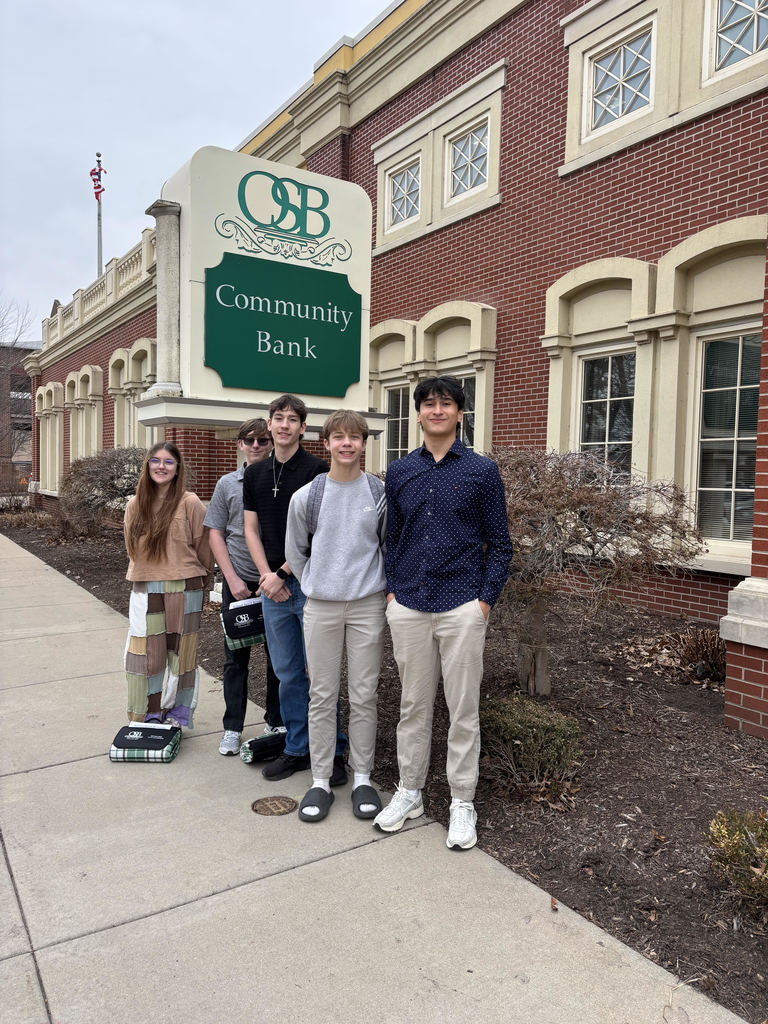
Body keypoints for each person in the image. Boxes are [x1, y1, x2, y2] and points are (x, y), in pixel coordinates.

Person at [373, 376, 513, 850]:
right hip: (408, 604)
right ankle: (410, 791)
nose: (436, 410)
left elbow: (501, 544)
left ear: (459, 413)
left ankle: (461, 801)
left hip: (461, 608)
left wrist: (484, 602)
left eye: (446, 403)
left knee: (463, 710)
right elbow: (392, 539)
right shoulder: (399, 472)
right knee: (412, 707)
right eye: (428, 403)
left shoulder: (481, 471)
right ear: (417, 414)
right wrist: (392, 593)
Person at [285, 410, 386, 823]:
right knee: (322, 695)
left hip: (367, 605)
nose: (347, 444)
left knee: (364, 695)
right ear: (324, 443)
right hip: (321, 607)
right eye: (338, 437)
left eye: (355, 437)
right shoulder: (307, 496)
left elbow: (385, 545)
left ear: (364, 444)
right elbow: (295, 552)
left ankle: (363, 777)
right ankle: (321, 780)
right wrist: (316, 582)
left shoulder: (379, 493)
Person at [243, 394, 347, 783]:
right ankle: (297, 748)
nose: (284, 424)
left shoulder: (317, 470)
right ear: (269, 424)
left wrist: (282, 575)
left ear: (303, 428)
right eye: (278, 418)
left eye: (292, 419)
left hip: (309, 586)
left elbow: (318, 533)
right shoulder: (254, 474)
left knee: (319, 673)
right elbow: (250, 529)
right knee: (287, 674)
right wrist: (266, 576)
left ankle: (333, 750)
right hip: (272, 589)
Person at [205, 418, 284, 756]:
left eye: (262, 440)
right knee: (234, 659)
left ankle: (275, 721)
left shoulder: (281, 481)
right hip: (238, 585)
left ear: (271, 443)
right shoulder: (227, 484)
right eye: (249, 440)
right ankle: (233, 727)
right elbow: (215, 533)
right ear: (239, 444)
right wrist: (232, 580)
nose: (256, 445)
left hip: (277, 583)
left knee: (277, 658)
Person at [123, 441, 213, 728]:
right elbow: (130, 548)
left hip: (185, 588)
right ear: (147, 466)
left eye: (168, 462)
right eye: (155, 460)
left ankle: (176, 713)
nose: (161, 466)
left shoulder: (190, 502)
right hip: (145, 588)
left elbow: (203, 547)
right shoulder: (135, 504)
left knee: (181, 655)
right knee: (145, 657)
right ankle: (146, 714)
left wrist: (201, 583)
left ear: (177, 469)